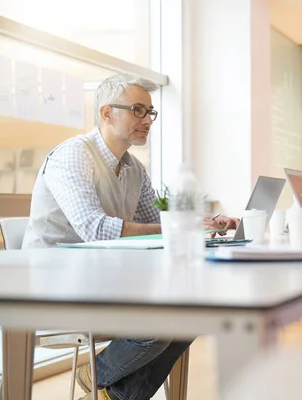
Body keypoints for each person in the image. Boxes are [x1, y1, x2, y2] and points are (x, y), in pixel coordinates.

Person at [22, 73, 237, 399]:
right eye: (138, 109)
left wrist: (201, 225)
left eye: (150, 112)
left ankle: (111, 395)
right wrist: (180, 227)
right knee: (154, 326)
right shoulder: (73, 155)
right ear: (107, 113)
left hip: (101, 280)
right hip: (54, 285)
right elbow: (95, 229)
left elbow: (158, 226)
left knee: (193, 312)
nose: (147, 120)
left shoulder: (134, 168)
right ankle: (97, 374)